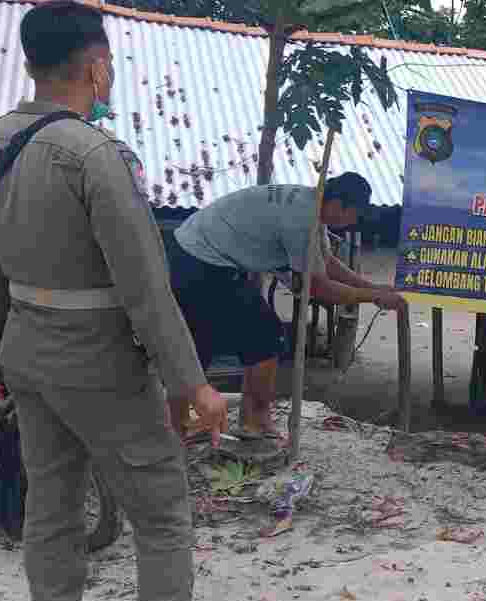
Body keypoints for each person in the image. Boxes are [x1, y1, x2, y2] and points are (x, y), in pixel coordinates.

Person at [0, 0, 239, 601]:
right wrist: (192, 384)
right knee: (161, 510)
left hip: (24, 353)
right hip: (100, 361)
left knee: (51, 503)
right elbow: (144, 286)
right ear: (95, 68)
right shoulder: (94, 155)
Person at [165, 174, 405, 438]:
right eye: (353, 215)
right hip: (202, 261)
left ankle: (181, 427)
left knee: (199, 344)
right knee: (266, 337)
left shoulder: (309, 204)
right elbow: (317, 287)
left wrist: (372, 287)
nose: (352, 223)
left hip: (192, 251)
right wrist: (372, 297)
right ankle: (253, 422)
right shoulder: (302, 220)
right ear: (338, 205)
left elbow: (325, 262)